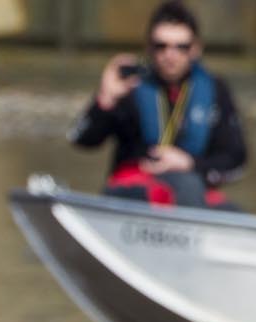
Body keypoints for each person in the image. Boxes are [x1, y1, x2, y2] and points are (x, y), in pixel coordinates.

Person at [70, 2, 246, 209]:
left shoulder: (215, 90)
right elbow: (82, 139)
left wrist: (190, 164)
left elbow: (235, 158)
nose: (170, 56)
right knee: (161, 192)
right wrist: (105, 99)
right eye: (161, 46)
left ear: (196, 49)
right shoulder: (130, 85)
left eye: (181, 47)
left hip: (192, 186)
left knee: (224, 206)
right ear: (149, 48)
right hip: (136, 187)